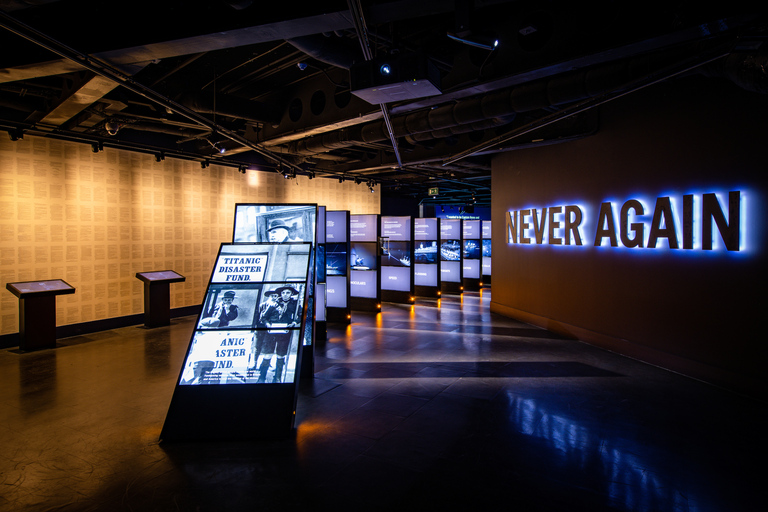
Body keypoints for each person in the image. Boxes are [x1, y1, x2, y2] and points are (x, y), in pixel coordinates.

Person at [255, 285, 300, 383]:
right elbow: (263, 318)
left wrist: (294, 322)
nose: (285, 295)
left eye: (288, 292)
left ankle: (277, 378)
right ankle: (262, 377)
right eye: (283, 293)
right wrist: (268, 325)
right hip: (271, 332)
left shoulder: (295, 304)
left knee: (281, 355)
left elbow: (301, 315)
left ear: (291, 294)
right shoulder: (274, 304)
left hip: (285, 332)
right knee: (267, 354)